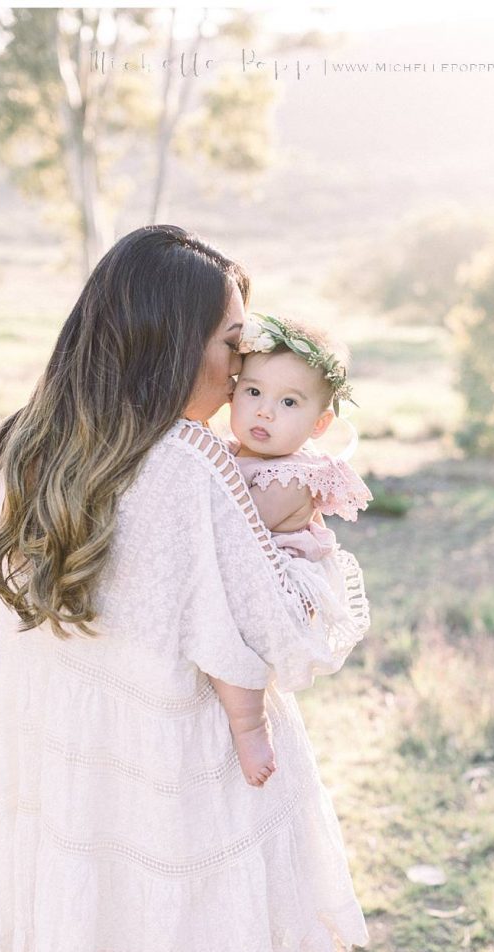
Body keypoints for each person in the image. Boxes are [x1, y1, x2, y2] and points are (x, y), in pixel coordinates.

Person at [0, 225, 371, 952]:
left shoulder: (32, 445)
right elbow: (281, 638)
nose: (241, 372)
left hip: (77, 777)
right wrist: (308, 553)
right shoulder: (189, 462)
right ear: (172, 342)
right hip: (171, 778)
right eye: (232, 344)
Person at [207, 312, 373, 788]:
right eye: (254, 392)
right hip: (251, 571)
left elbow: (233, 529)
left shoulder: (291, 478)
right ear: (232, 391)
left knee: (231, 638)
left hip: (281, 587)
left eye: (288, 402)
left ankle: (250, 725)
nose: (264, 412)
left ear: (319, 424)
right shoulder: (232, 451)